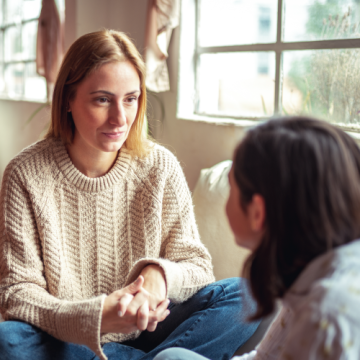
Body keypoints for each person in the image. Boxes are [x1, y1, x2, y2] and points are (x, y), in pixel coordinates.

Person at [0, 30, 260, 360]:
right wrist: (98, 316)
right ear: (67, 98)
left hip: (152, 331)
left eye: (130, 99)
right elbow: (17, 294)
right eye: (102, 99)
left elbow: (196, 266)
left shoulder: (160, 166)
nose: (120, 118)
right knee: (7, 340)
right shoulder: (25, 174)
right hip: (68, 338)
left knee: (247, 295)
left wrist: (158, 276)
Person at [154, 116, 360, 360]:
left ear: (257, 212)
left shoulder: (326, 315)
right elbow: (265, 356)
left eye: (231, 186)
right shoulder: (309, 278)